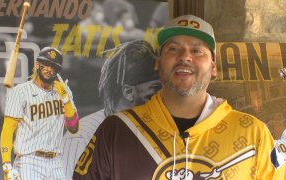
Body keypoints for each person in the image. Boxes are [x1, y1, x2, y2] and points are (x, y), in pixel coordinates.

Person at [73, 15, 286, 179]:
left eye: (197, 51)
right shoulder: (118, 129)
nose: (185, 57)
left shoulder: (252, 134)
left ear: (213, 67)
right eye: (173, 49)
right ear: (158, 63)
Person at [61, 40, 161, 179]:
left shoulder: (157, 129)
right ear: (128, 92)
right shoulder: (83, 136)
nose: (162, 96)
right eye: (156, 88)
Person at [0, 47, 79, 180]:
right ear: (37, 65)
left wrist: (66, 99)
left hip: (56, 162)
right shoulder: (20, 92)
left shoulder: (63, 91)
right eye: (46, 64)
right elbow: (8, 130)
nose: (49, 69)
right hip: (29, 162)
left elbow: (74, 127)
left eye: (54, 66)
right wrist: (6, 165)